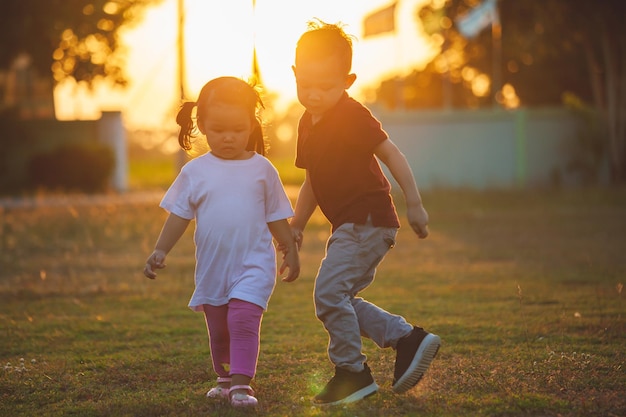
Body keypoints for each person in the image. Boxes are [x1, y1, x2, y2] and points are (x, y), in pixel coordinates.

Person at [288, 20, 441, 406]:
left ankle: (352, 373)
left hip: (368, 221)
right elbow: (312, 182)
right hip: (351, 225)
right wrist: (296, 225)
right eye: (306, 84)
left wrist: (415, 203)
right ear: (293, 74)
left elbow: (392, 154)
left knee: (328, 294)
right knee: (339, 297)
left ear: (348, 80)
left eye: (326, 86)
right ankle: (407, 339)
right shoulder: (307, 123)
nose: (315, 94)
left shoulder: (352, 115)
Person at [143, 76, 300, 408]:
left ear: (251, 125)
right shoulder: (195, 172)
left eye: (238, 129)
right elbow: (179, 216)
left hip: (254, 265)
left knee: (242, 319)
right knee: (218, 328)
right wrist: (160, 249)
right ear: (202, 125)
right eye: (218, 130)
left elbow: (275, 216)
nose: (229, 137)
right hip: (213, 268)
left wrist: (290, 249)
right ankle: (224, 379)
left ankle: (242, 385)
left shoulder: (262, 170)